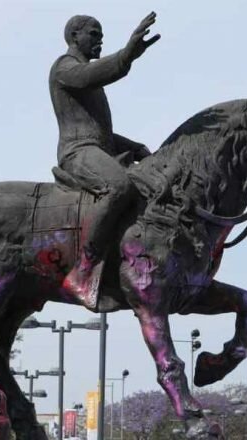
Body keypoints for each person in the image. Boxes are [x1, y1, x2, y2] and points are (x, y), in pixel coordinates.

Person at [49, 12, 160, 306]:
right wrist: (126, 55)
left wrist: (137, 148)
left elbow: (102, 133)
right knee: (119, 186)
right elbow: (92, 75)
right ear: (75, 36)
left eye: (101, 36)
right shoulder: (65, 68)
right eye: (94, 34)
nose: (100, 40)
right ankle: (83, 268)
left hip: (98, 150)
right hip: (78, 152)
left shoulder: (87, 78)